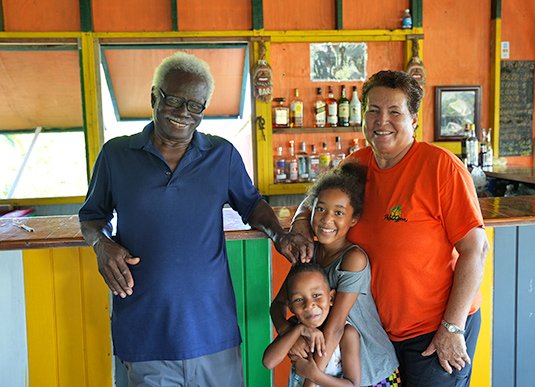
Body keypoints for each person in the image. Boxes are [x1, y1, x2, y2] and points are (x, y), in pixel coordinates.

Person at [78, 51, 306, 386]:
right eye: (174, 100)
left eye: (195, 105)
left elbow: (252, 204)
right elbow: (92, 217)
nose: (184, 113)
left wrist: (279, 234)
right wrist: (102, 244)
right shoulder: (116, 155)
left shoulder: (221, 155)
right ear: (154, 97)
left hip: (212, 331)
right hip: (144, 333)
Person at [286, 70, 489, 387]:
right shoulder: (355, 165)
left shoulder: (441, 167)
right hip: (375, 333)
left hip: (434, 331)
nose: (382, 121)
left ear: (414, 120)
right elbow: (312, 201)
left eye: (394, 112)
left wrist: (452, 326)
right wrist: (300, 223)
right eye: (373, 110)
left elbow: (476, 249)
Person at [271, 163, 401, 387]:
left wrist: (310, 382)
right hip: (324, 369)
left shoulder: (353, 259)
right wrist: (288, 332)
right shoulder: (307, 255)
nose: (326, 219)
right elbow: (278, 305)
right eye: (320, 209)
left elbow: (336, 326)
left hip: (368, 371)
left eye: (338, 212)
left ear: (353, 219)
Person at [263, 262, 360, 386]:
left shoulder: (347, 334)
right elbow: (268, 362)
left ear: (331, 298)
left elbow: (352, 385)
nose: (309, 305)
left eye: (316, 295)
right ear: (291, 307)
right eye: (299, 300)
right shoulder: (295, 328)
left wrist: (313, 375)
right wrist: (299, 330)